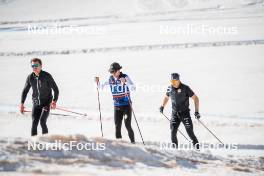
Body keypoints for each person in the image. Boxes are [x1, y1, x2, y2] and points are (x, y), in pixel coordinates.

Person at [95, 62, 135, 143]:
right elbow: (100, 87)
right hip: (117, 106)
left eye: (113, 71)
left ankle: (133, 143)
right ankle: (119, 145)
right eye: (111, 72)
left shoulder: (125, 77)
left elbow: (133, 87)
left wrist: (125, 83)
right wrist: (97, 82)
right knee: (117, 126)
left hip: (126, 106)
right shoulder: (111, 79)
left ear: (118, 70)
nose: (112, 73)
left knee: (127, 125)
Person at [159, 73, 200, 149]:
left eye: (175, 81)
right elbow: (166, 97)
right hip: (175, 114)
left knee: (190, 133)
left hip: (185, 114)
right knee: (173, 132)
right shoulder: (169, 88)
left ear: (178, 80)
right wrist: (162, 106)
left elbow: (196, 98)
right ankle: (176, 151)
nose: (173, 83)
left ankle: (197, 149)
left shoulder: (185, 88)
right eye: (172, 81)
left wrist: (196, 111)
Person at [20, 58, 59, 136]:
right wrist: (22, 104)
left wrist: (54, 101)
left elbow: (56, 89)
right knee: (34, 122)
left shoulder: (46, 76)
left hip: (46, 103)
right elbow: (25, 91)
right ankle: (34, 143)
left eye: (36, 65)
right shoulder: (30, 77)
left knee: (42, 121)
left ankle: (46, 141)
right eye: (33, 66)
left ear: (41, 66)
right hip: (36, 103)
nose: (34, 67)